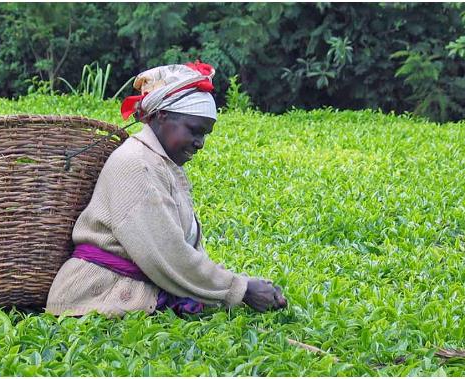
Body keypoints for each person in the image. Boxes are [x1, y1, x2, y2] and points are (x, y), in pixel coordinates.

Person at [46, 62, 287, 317]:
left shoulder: (162, 163)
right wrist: (241, 289)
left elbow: (184, 249)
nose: (200, 143)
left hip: (132, 287)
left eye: (205, 134)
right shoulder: (135, 164)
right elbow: (168, 255)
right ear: (162, 116)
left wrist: (234, 284)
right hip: (95, 297)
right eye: (194, 131)